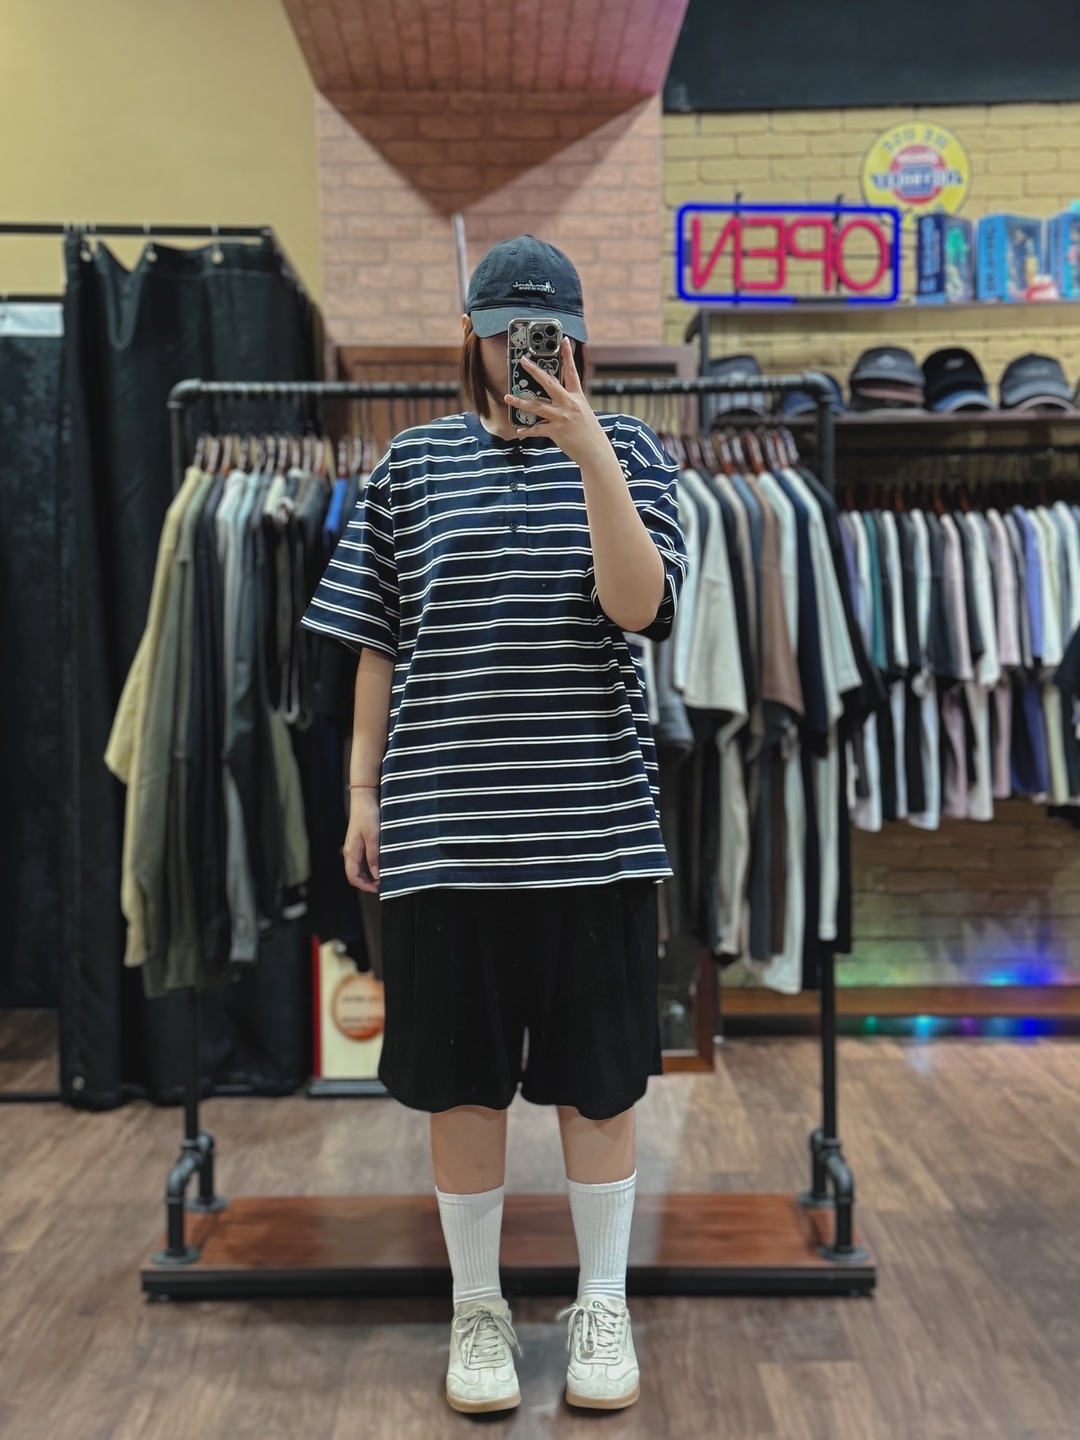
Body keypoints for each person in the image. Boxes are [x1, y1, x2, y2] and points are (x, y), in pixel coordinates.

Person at [301, 235, 686, 1414]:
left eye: (548, 332)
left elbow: (638, 607)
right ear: (470, 336)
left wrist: (591, 455)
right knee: (460, 1088)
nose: (529, 352)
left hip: (594, 833)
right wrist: (362, 794)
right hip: (445, 833)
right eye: (508, 331)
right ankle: (477, 1311)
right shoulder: (411, 464)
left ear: (578, 338)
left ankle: (602, 1303)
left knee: (600, 1087)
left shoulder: (634, 452)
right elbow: (377, 641)